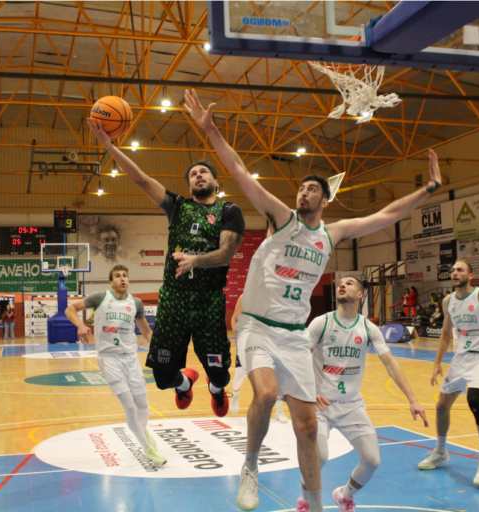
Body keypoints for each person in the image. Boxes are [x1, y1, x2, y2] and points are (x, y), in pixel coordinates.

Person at [184, 88, 442, 512]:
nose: (302, 193)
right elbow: (242, 173)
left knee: (307, 427)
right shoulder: (281, 219)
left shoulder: (331, 234)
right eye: (300, 188)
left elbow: (387, 215)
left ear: (324, 200)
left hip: (292, 336)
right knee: (265, 395)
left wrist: (428, 189)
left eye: (310, 190)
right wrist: (211, 131)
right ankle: (250, 465)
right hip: (256, 326)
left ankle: (317, 505)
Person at [88, 117, 246, 417]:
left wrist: (196, 260)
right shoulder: (179, 206)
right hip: (174, 300)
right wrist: (109, 146)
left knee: (220, 374)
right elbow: (141, 179)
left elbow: (226, 253)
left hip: (209, 301)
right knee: (161, 378)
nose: (198, 176)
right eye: (193, 174)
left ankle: (216, 389)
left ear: (216, 182)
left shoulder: (228, 210)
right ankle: (184, 382)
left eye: (204, 172)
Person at [304, 277, 428, 512]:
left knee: (372, 460)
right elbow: (299, 358)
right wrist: (308, 391)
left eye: (349, 283)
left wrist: (413, 399)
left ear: (360, 295)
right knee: (318, 457)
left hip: (351, 404)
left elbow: (391, 364)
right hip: (319, 404)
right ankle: (304, 498)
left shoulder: (368, 328)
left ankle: (345, 495)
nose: (342, 285)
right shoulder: (321, 323)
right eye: (340, 283)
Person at [418, 260, 479, 486]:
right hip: (461, 357)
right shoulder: (448, 301)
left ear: (471, 276)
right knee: (441, 405)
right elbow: (445, 334)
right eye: (452, 270)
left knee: (474, 400)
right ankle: (441, 452)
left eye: (460, 269)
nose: (454, 273)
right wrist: (437, 363)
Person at [65, 265, 167, 467]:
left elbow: (145, 330)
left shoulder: (135, 303)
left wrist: (158, 347)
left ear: (128, 281)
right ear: (111, 282)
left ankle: (142, 432)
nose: (122, 279)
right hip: (109, 359)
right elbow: (70, 309)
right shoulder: (100, 298)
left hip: (131, 358)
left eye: (125, 276)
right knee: (130, 406)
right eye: (118, 276)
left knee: (143, 406)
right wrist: (81, 325)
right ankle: (148, 448)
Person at [230, 293, 288, 423]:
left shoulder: (273, 298)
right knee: (239, 375)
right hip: (247, 341)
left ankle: (279, 411)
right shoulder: (244, 297)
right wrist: (238, 336)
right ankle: (235, 394)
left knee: (276, 376)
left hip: (267, 343)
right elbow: (234, 319)